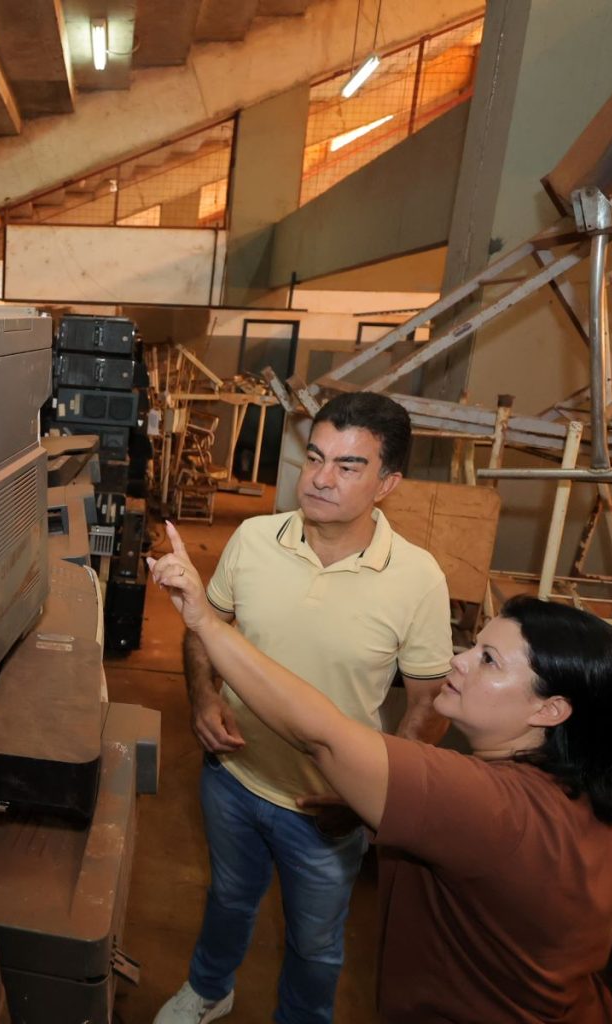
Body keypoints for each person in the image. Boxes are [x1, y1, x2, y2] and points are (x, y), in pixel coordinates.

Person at [150, 525, 612, 1023]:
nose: (458, 660)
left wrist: (207, 624)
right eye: (475, 646)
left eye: (488, 660)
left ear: (551, 710)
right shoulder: (589, 799)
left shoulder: (488, 804)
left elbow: (322, 734)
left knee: (314, 944)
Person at [156, 393, 452, 1024]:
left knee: (315, 945)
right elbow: (204, 629)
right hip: (232, 778)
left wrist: (373, 794)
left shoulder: (418, 578)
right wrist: (204, 698)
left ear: (388, 483)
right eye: (316, 457)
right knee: (230, 899)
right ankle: (211, 990)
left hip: (328, 811)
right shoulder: (253, 538)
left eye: (349, 466)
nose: (320, 478)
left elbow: (428, 703)